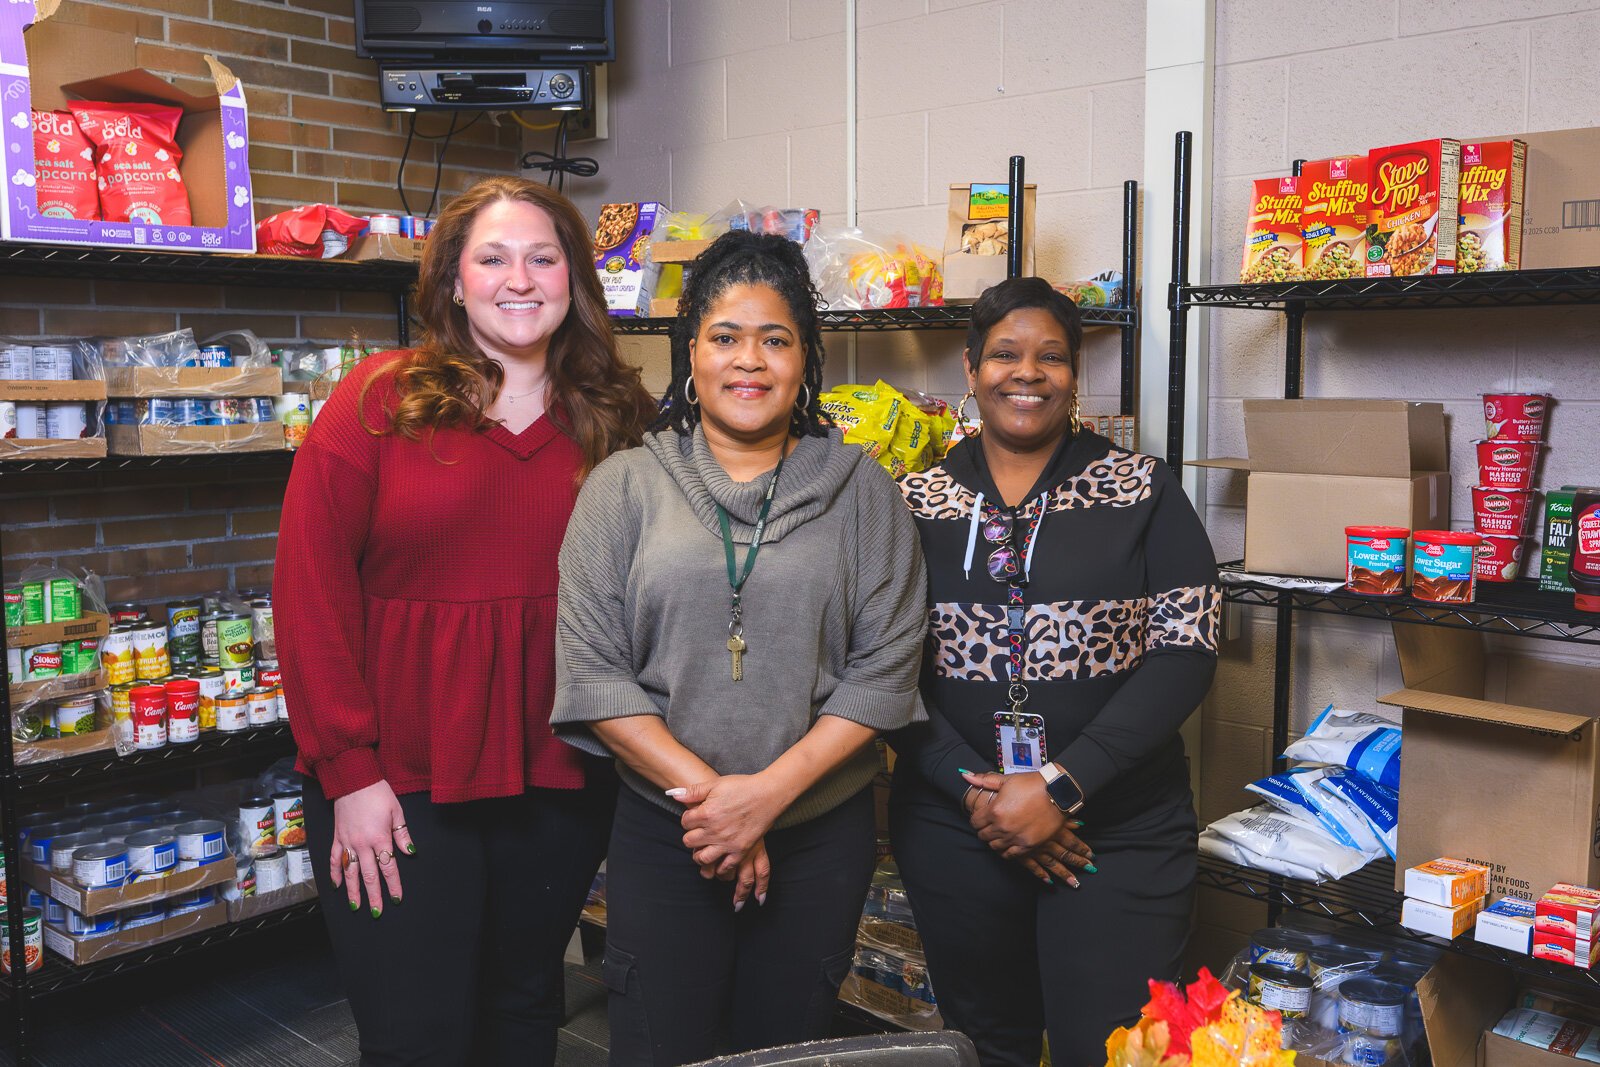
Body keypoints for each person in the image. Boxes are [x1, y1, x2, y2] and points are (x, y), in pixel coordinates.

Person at [274, 176, 654, 1067]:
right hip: (396, 782)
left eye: (542, 257)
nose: (518, 279)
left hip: (559, 771)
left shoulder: (614, 419)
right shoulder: (378, 402)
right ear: (452, 282)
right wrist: (349, 772)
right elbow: (308, 591)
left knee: (524, 1013)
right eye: (492, 257)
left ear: (574, 280)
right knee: (416, 1033)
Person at [550, 230, 928, 1067]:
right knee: (656, 1047)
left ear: (806, 360)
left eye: (775, 338)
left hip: (819, 837)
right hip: (664, 833)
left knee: (788, 1051)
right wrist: (719, 801)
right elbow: (591, 672)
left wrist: (766, 799)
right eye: (725, 337)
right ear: (693, 354)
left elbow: (887, 668)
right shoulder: (623, 486)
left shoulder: (863, 490)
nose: (748, 360)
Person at [889, 277, 1221, 1067]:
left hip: (1119, 831)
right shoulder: (913, 501)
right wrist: (989, 800)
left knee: (1109, 1049)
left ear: (1075, 375)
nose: (1026, 373)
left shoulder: (1143, 488)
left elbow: (1189, 650)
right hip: (956, 827)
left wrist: (1059, 788)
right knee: (987, 1044)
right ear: (970, 369)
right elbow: (879, 668)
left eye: (1052, 357)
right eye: (1004, 353)